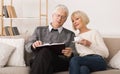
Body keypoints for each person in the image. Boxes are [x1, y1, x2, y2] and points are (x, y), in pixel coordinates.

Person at [25, 4, 78, 74]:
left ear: (65, 19)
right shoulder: (39, 30)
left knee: (45, 52)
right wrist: (33, 45)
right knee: (45, 59)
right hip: (39, 61)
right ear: (53, 15)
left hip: (59, 62)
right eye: (58, 15)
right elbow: (27, 47)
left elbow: (75, 54)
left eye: (63, 17)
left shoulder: (70, 34)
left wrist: (70, 54)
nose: (59, 19)